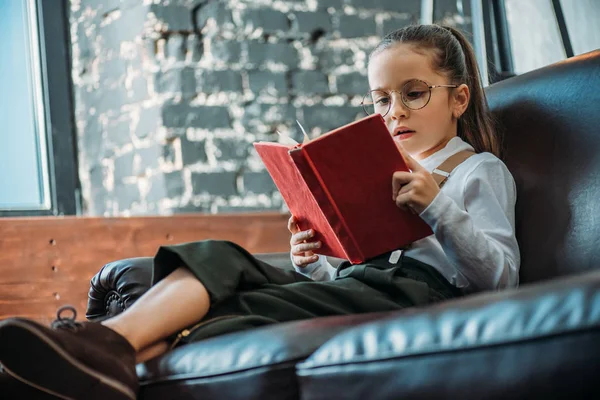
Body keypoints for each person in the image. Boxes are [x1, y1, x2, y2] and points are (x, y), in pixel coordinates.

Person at [0, 24, 519, 400]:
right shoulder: (380, 168)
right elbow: (355, 264)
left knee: (229, 315)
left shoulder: (479, 171)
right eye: (380, 100)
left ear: (458, 99)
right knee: (220, 258)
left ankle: (90, 364)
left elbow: (501, 278)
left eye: (414, 94)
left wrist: (439, 208)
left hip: (418, 293)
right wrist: (314, 258)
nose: (395, 111)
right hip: (361, 282)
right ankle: (103, 351)